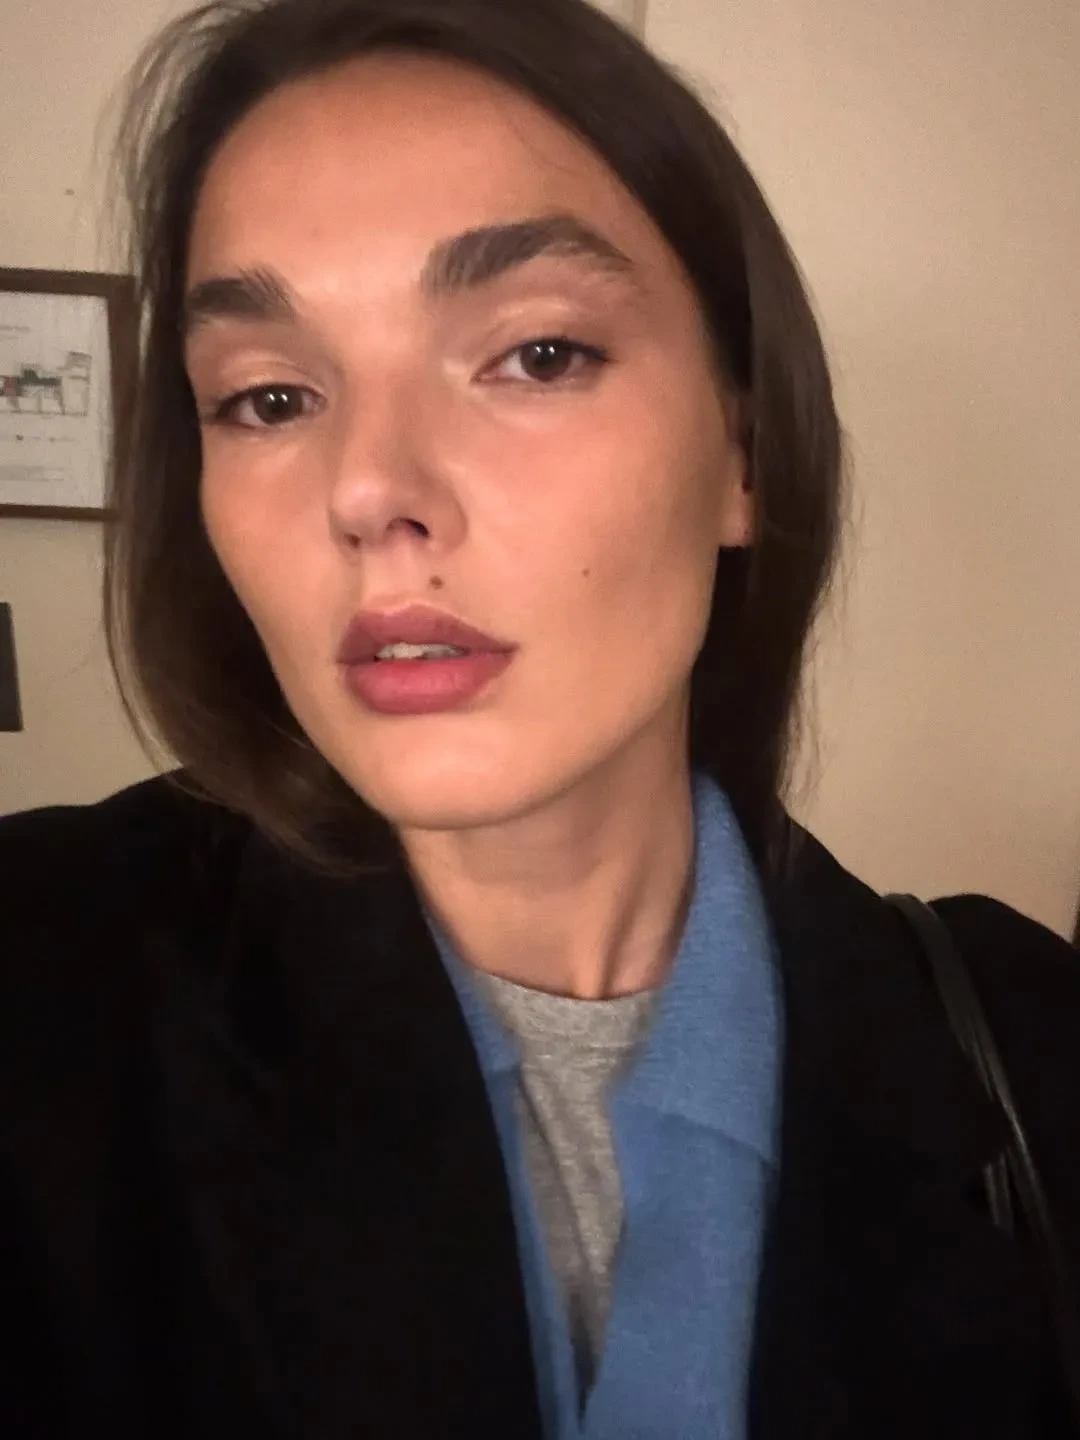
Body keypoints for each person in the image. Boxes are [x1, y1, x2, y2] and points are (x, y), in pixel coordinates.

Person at [1, 0, 1077, 1435]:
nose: (368, 491)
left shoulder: (1029, 1044)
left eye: (539, 356)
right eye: (269, 396)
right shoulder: (41, 984)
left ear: (745, 449)